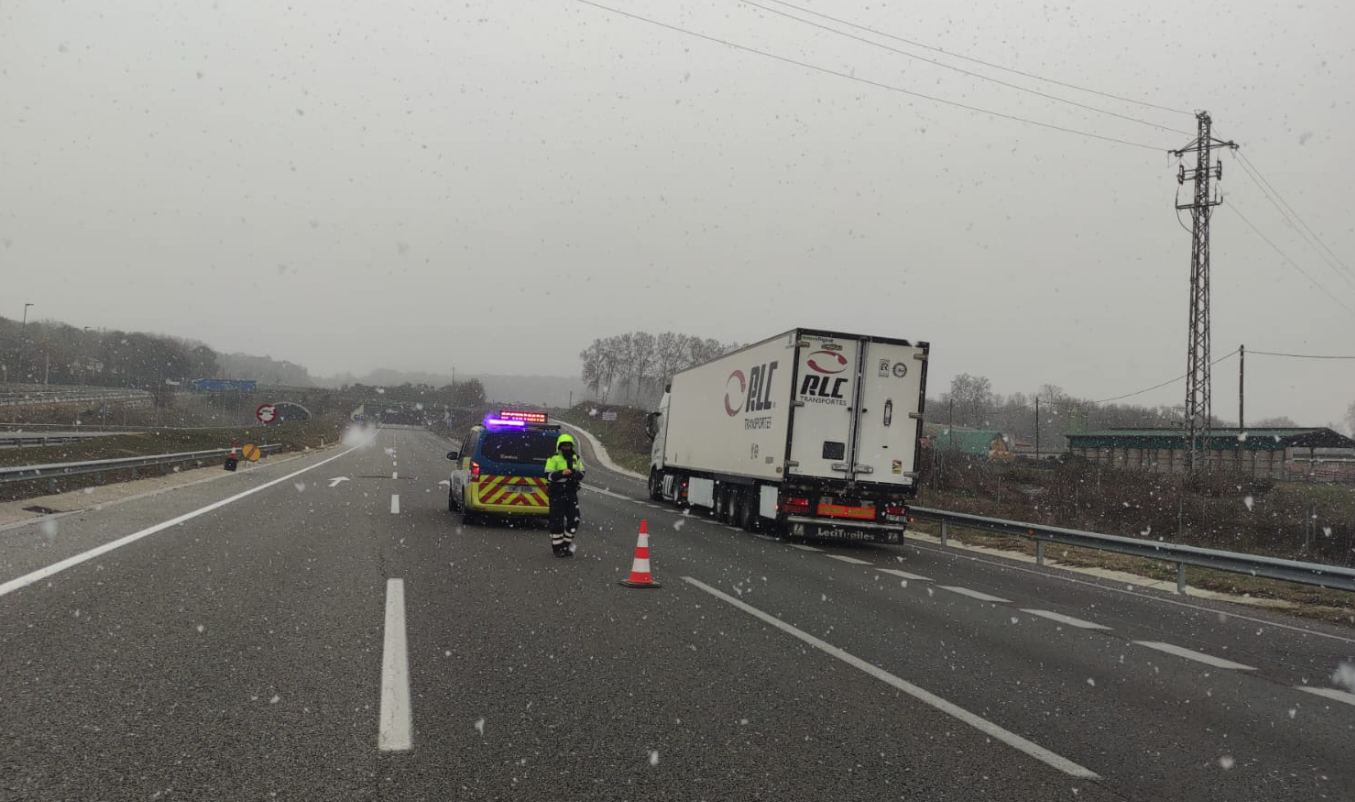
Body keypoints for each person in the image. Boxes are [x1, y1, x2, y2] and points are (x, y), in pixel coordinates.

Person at [544, 433, 585, 557]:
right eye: (564, 446)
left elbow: (582, 473)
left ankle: (566, 545)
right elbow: (548, 475)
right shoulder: (553, 458)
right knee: (557, 522)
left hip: (571, 493)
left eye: (568, 446)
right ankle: (557, 549)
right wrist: (562, 473)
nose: (566, 448)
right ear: (559, 446)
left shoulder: (575, 458)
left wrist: (572, 474)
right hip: (557, 493)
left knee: (574, 520)